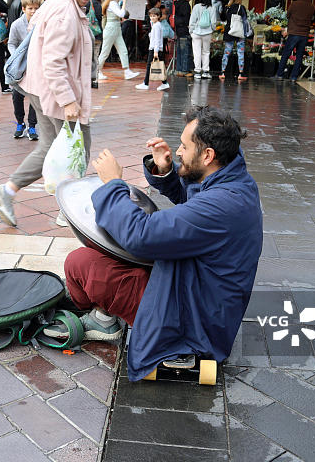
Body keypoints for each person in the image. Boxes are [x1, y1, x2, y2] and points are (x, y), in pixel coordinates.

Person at [43, 106, 262, 380]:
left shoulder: (222, 205)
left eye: (184, 147)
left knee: (81, 263)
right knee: (103, 252)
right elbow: (195, 197)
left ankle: (102, 319)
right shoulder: (230, 175)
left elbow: (140, 235)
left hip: (193, 322)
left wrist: (113, 183)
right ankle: (101, 310)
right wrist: (167, 170)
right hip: (197, 292)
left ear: (208, 155)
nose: (179, 151)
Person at [0, 0, 100, 228]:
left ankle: (8, 191)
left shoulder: (60, 0)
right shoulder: (65, 10)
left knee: (51, 147)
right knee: (78, 150)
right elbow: (53, 60)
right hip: (57, 92)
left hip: (41, 89)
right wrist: (69, 100)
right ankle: (68, 209)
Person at [7, 0, 40, 141]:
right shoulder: (16, 25)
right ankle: (20, 123)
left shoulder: (41, 24)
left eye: (36, 8)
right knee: (17, 95)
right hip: (20, 66)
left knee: (35, 96)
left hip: (36, 65)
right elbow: (11, 43)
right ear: (24, 8)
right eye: (30, 9)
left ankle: (32, 125)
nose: (33, 12)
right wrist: (16, 56)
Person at [273, 0, 315, 82]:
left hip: (294, 32)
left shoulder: (294, 4)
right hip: (304, 34)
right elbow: (312, 18)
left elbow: (288, 15)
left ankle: (280, 74)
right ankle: (294, 77)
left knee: (286, 54)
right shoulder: (312, 6)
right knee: (299, 56)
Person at [96, 0, 138, 81]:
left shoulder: (114, 3)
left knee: (123, 50)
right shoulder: (112, 3)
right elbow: (121, 14)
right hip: (111, 29)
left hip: (116, 28)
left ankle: (127, 71)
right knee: (105, 52)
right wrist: (125, 2)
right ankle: (97, 71)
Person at [136, 8, 169, 92]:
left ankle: (146, 83)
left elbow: (157, 39)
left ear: (158, 16)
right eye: (151, 16)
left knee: (149, 66)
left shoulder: (157, 26)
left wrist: (155, 51)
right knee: (160, 66)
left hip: (155, 49)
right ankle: (164, 83)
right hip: (156, 49)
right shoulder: (156, 25)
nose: (152, 18)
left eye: (154, 16)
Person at [219, 0, 247, 82]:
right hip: (239, 33)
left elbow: (223, 18)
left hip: (229, 31)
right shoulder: (241, 8)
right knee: (240, 53)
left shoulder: (227, 8)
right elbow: (245, 20)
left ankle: (222, 72)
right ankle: (240, 73)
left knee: (227, 52)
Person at [189, 0, 216, 79]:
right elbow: (213, 23)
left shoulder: (196, 7)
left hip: (196, 33)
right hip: (207, 33)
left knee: (197, 52)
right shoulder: (212, 8)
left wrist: (191, 31)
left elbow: (192, 21)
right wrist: (212, 30)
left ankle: (197, 71)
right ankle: (205, 71)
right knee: (206, 52)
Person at [173, 0, 194, 76]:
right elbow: (186, 18)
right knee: (185, 51)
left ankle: (179, 69)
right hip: (185, 30)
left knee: (180, 51)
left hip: (178, 30)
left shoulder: (177, 4)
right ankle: (185, 70)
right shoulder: (186, 5)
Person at [87, 0, 103, 89]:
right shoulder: (98, 5)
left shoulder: (86, 4)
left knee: (87, 58)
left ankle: (87, 79)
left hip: (87, 35)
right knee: (95, 57)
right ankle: (95, 79)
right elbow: (100, 18)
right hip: (98, 34)